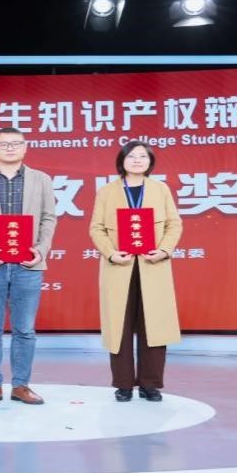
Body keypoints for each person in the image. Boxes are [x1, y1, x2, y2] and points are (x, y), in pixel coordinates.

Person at [0, 127, 57, 406]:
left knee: (25, 329)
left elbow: (48, 218)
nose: (10, 148)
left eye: (16, 143)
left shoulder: (41, 179)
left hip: (28, 264)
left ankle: (21, 385)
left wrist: (40, 250)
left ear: (25, 147)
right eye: (3, 144)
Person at [88, 140, 182, 402]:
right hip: (119, 266)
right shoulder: (107, 191)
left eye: (143, 156)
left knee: (155, 326)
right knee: (120, 327)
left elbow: (174, 224)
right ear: (122, 161)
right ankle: (124, 384)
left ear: (150, 162)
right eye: (132, 156)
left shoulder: (160, 189)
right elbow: (96, 228)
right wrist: (110, 253)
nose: (138, 160)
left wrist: (164, 250)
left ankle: (150, 384)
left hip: (154, 266)